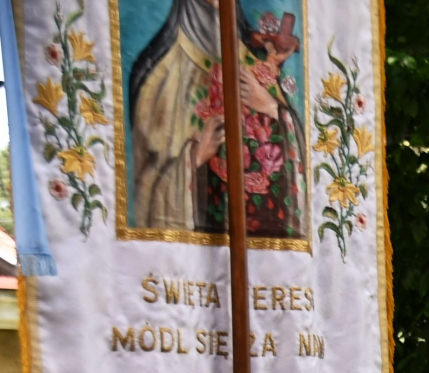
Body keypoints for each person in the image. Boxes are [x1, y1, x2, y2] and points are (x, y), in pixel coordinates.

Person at [128, 0, 306, 237]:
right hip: (191, 255)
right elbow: (144, 192)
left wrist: (271, 108)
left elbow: (299, 164)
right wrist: (196, 157)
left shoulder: (256, 66)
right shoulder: (159, 79)